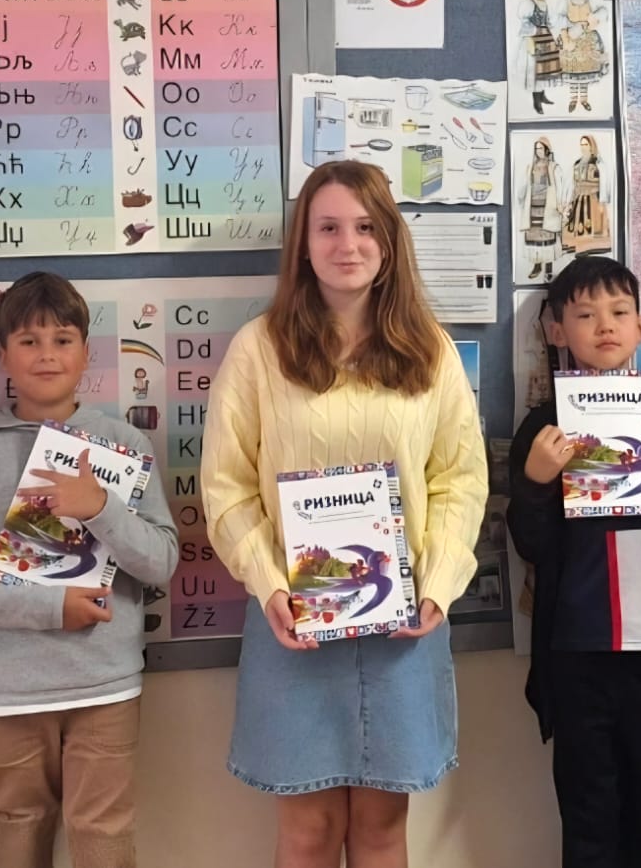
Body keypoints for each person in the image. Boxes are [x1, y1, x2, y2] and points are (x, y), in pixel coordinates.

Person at [205, 160, 487, 867]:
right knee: (308, 831)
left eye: (365, 228)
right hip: (294, 623)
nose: (348, 245)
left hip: (403, 626)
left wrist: (439, 583)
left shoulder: (430, 351)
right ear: (303, 244)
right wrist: (270, 583)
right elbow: (227, 487)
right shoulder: (259, 350)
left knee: (383, 831)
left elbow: (459, 480)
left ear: (388, 241)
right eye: (327, 228)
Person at [0, 272, 179, 868]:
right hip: (6, 691)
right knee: (18, 832)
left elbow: (162, 561)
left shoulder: (124, 445)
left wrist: (100, 507)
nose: (47, 355)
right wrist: (50, 608)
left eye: (63, 340)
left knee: (104, 836)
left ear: (86, 353)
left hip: (105, 683)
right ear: (3, 355)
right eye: (29, 341)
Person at [505, 256, 641, 868]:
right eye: (585, 314)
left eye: (619, 311)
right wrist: (537, 483)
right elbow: (531, 544)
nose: (605, 325)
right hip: (579, 651)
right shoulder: (544, 428)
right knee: (588, 814)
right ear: (556, 330)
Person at [519, 137, 568, 282]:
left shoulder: (554, 167)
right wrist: (521, 201)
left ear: (547, 149)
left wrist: (561, 205)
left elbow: (560, 187)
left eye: (540, 148)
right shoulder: (531, 167)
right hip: (533, 208)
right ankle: (537, 266)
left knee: (548, 238)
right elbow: (523, 187)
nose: (538, 151)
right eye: (536, 149)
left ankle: (548, 270)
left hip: (549, 208)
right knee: (534, 238)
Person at [518, 0, 563, 115]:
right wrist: (531, 36)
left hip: (546, 37)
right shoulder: (528, 3)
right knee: (535, 69)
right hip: (534, 38)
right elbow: (524, 22)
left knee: (545, 68)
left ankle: (542, 95)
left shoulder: (544, 2)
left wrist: (556, 32)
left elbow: (549, 21)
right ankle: (536, 101)